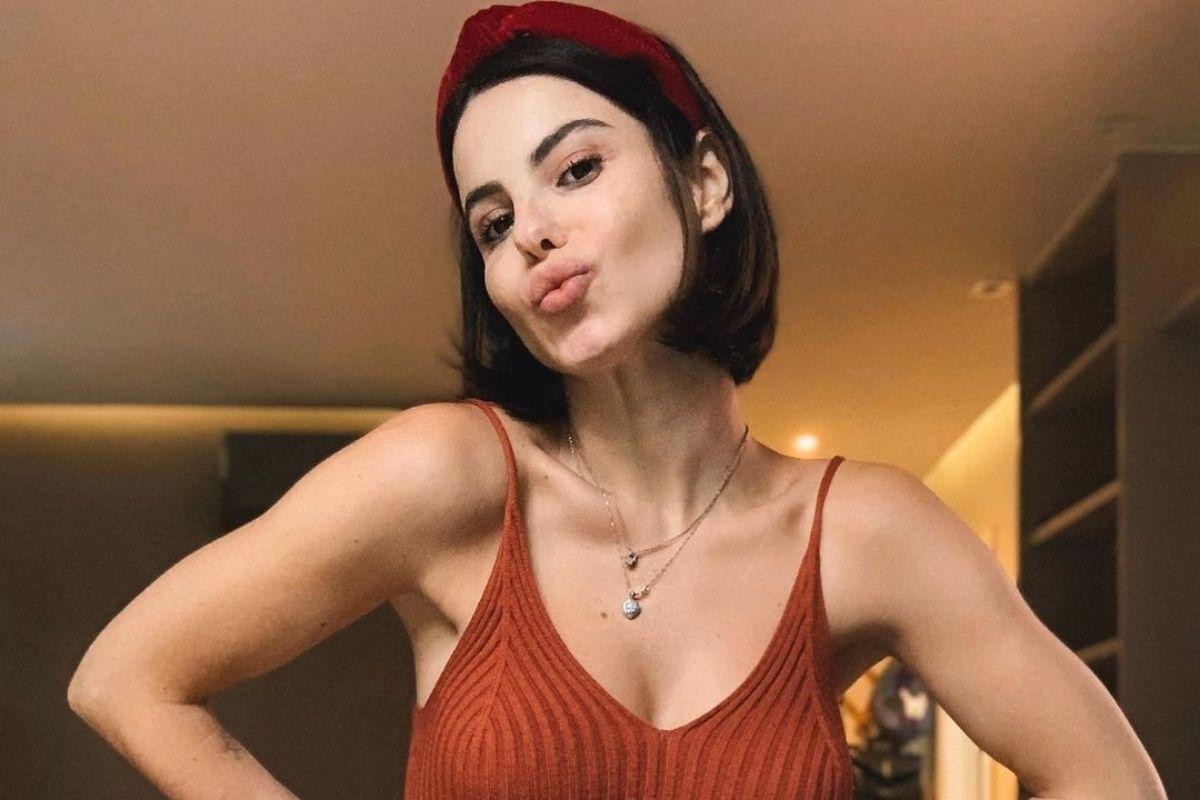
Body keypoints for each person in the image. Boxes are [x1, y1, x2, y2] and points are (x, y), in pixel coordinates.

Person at [67, 3, 1167, 799]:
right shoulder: (448, 474)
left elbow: (1111, 778)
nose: (533, 232)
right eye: (494, 221)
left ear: (704, 182)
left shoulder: (864, 532)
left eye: (576, 170)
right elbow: (128, 679)